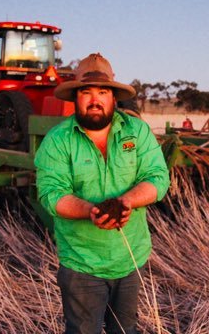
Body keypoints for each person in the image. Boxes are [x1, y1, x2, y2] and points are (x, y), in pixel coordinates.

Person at [35, 53, 170, 334]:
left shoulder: (138, 132)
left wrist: (126, 201)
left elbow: (157, 178)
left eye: (103, 92)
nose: (95, 99)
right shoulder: (58, 141)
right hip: (82, 263)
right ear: (75, 97)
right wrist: (91, 211)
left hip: (130, 258)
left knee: (126, 330)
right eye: (86, 92)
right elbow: (52, 194)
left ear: (114, 97)